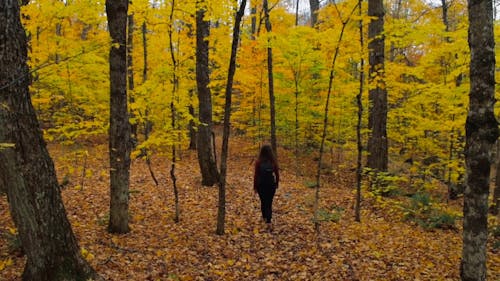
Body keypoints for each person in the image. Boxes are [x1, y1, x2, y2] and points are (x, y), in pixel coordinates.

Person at [253, 145, 279, 232]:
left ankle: (264, 217)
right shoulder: (273, 162)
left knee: (263, 202)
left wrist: (255, 186)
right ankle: (269, 220)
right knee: (269, 202)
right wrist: (276, 184)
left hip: (261, 185)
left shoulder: (258, 162)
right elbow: (277, 174)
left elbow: (256, 175)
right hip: (271, 185)